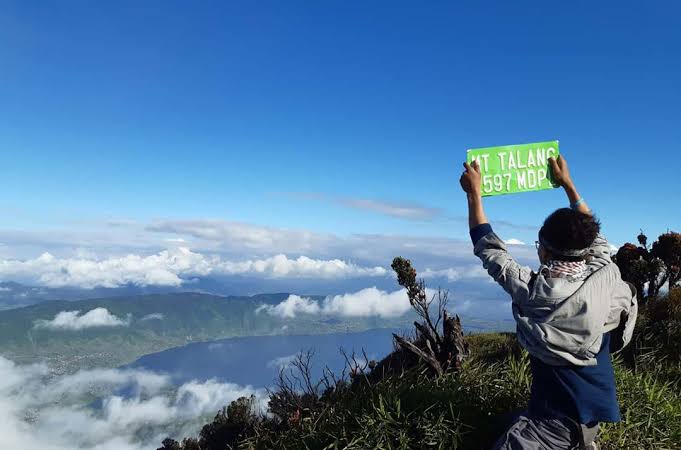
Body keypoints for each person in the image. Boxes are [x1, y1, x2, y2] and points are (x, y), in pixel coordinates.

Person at [459, 154, 638, 450]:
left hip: (555, 426)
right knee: (497, 424)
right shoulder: (605, 275)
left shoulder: (534, 292)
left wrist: (473, 193)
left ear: (544, 251)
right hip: (590, 415)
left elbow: (488, 248)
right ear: (586, 248)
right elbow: (594, 236)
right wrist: (568, 183)